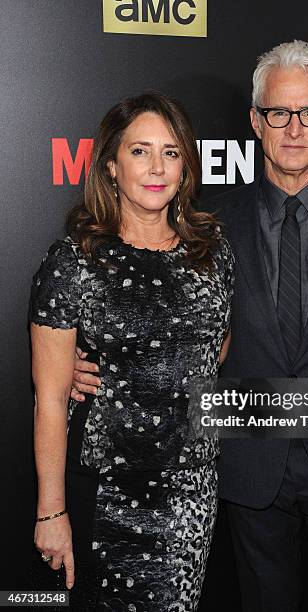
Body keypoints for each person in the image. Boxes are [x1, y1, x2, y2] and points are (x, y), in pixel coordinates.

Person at [72, 41, 308, 611]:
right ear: (257, 121)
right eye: (278, 112)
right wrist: (88, 368)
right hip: (250, 464)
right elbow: (163, 324)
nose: (293, 128)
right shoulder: (211, 227)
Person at [29, 91, 234, 611]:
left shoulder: (212, 251)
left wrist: (156, 375)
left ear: (186, 168)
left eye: (170, 152)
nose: (156, 167)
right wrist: (51, 512)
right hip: (108, 492)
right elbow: (49, 398)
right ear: (112, 166)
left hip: (192, 490)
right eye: (140, 151)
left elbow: (216, 347)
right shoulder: (74, 262)